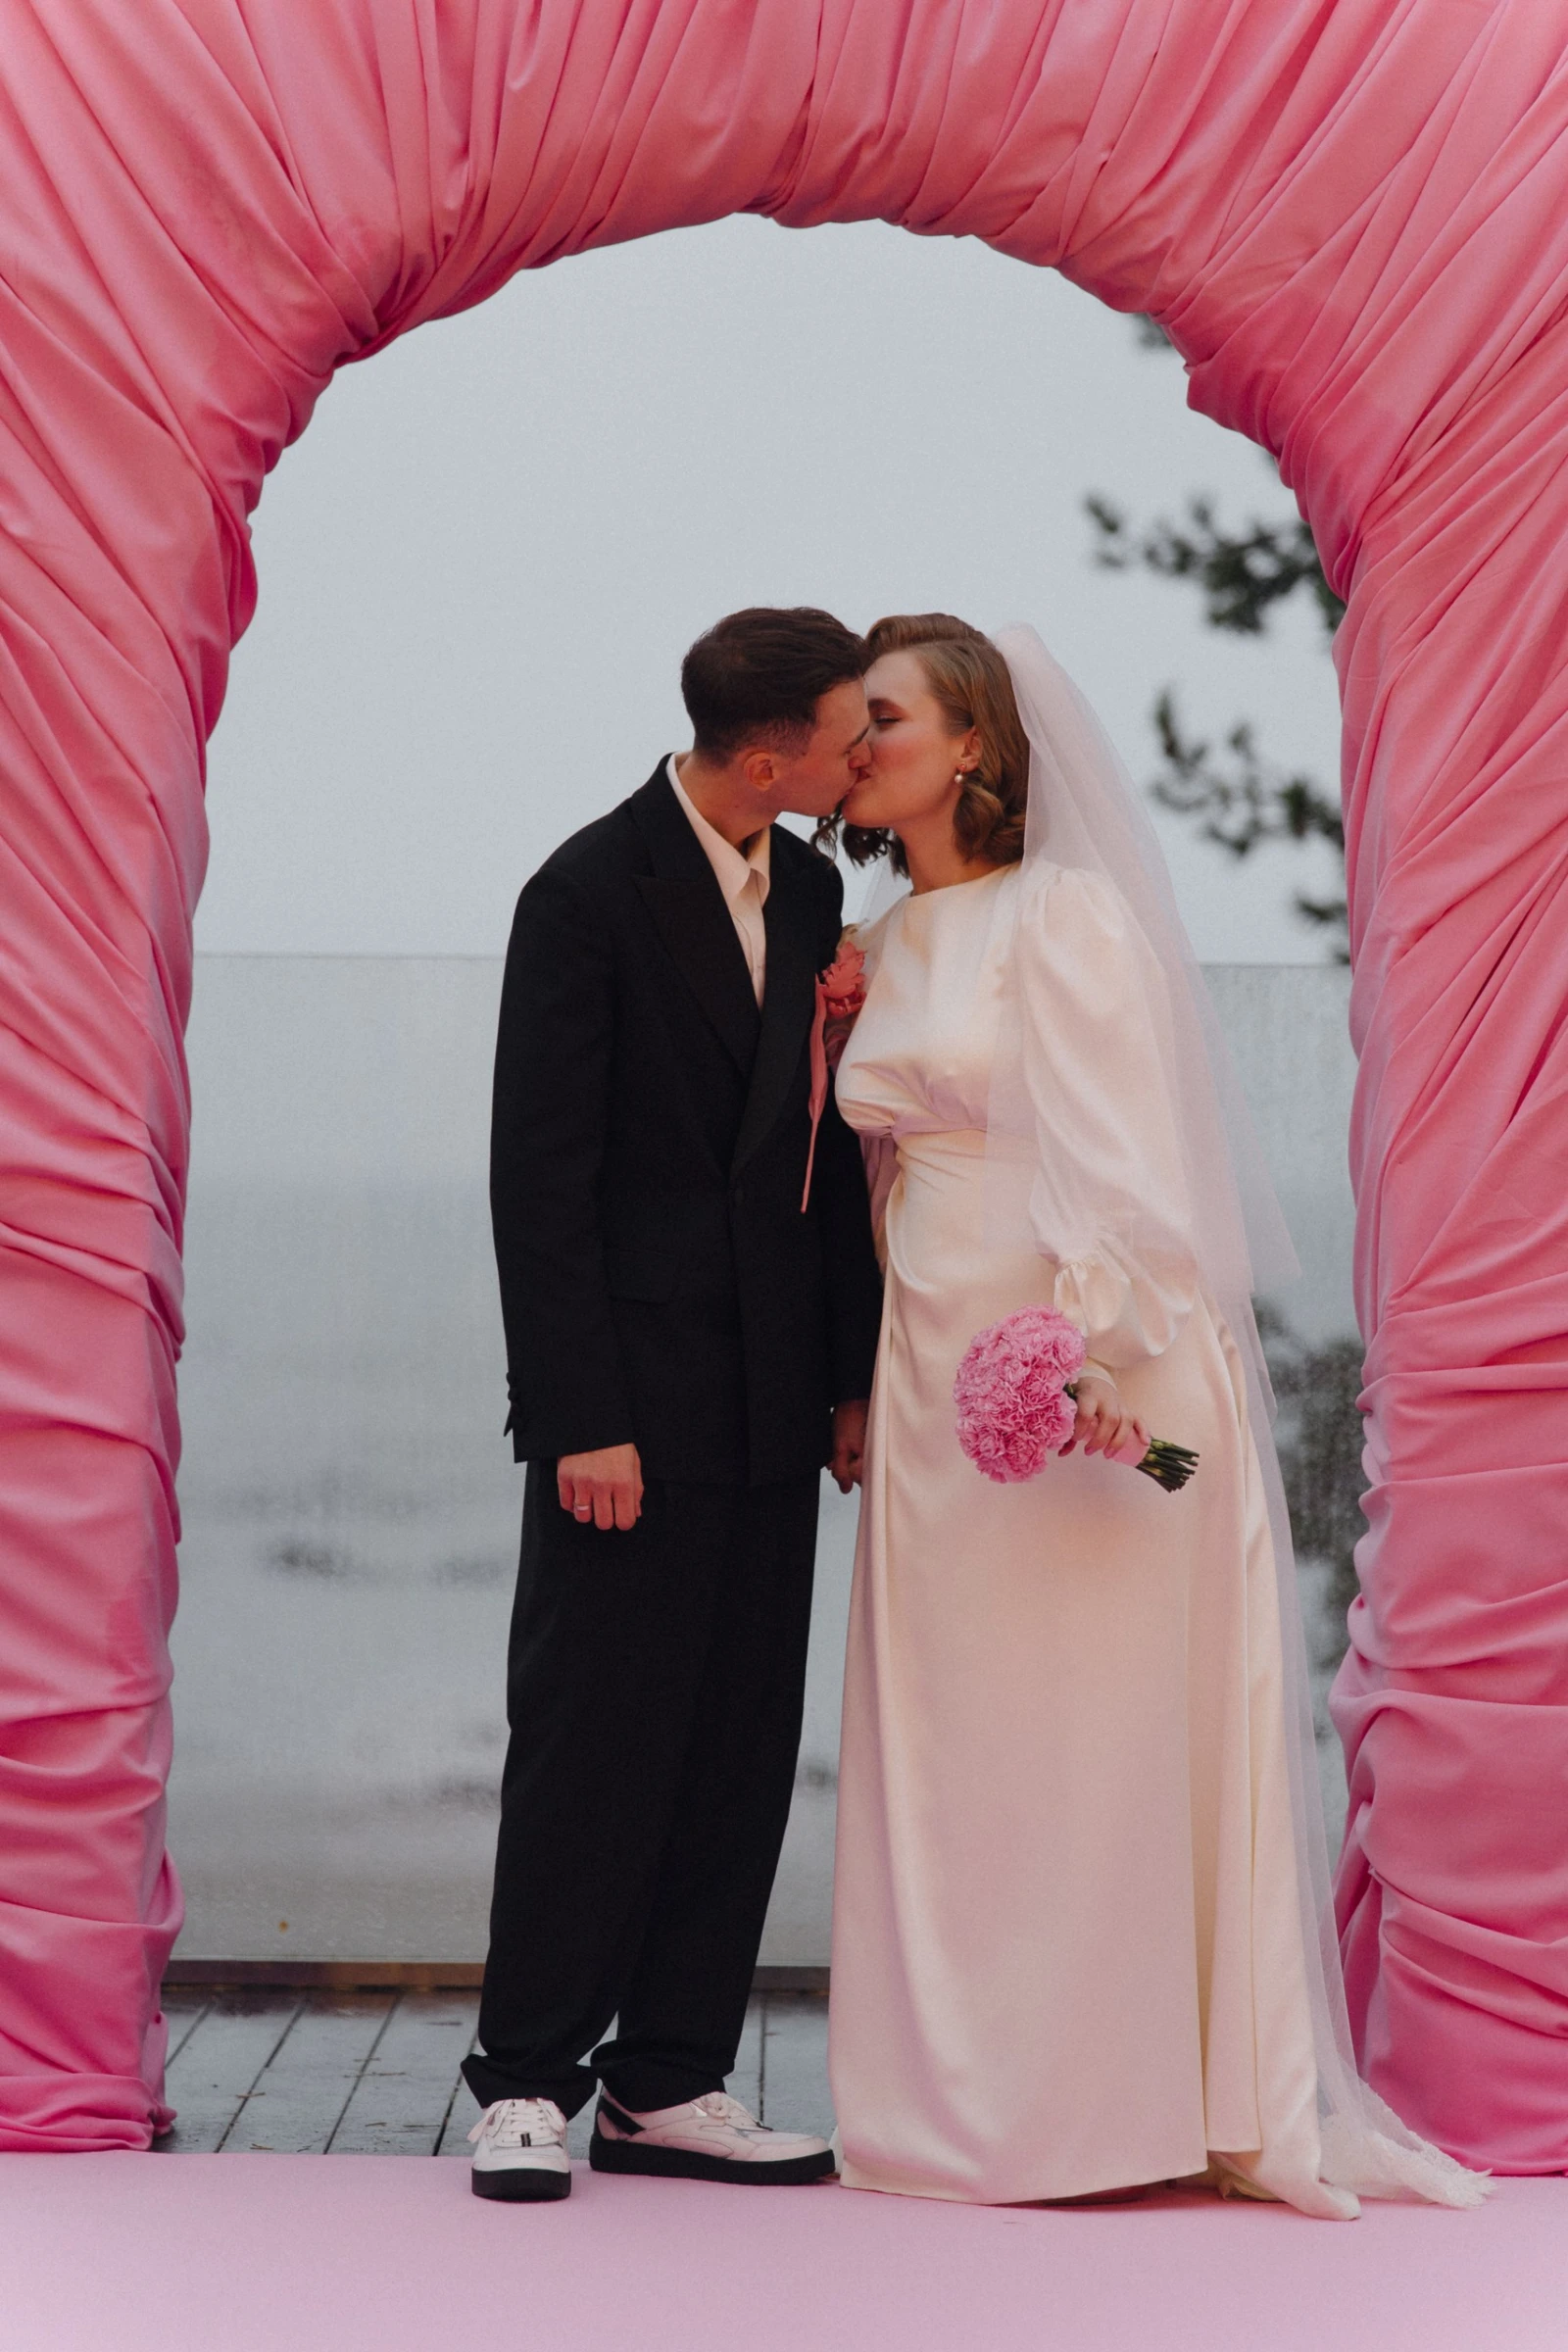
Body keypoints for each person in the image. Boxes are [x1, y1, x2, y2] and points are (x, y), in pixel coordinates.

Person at [820, 614, 1486, 2217]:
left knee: (1094, 1731)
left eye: (886, 716)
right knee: (958, 1742)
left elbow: (1128, 1158)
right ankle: (961, 2107)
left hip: (1083, 1360)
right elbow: (880, 1173)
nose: (857, 746)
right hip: (932, 1373)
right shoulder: (885, 940)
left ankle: (1116, 2114)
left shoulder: (1067, 914)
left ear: (970, 745)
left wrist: (1087, 1351)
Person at [463, 608, 884, 2200]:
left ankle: (668, 2082)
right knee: (591, 1743)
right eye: (848, 732)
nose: (864, 755)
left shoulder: (819, 891)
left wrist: (846, 1378)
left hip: (774, 1400)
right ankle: (526, 2079)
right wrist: (581, 1416)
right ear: (769, 757)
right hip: (626, 1413)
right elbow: (538, 1180)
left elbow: (819, 1161)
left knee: (736, 1746)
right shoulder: (583, 893)